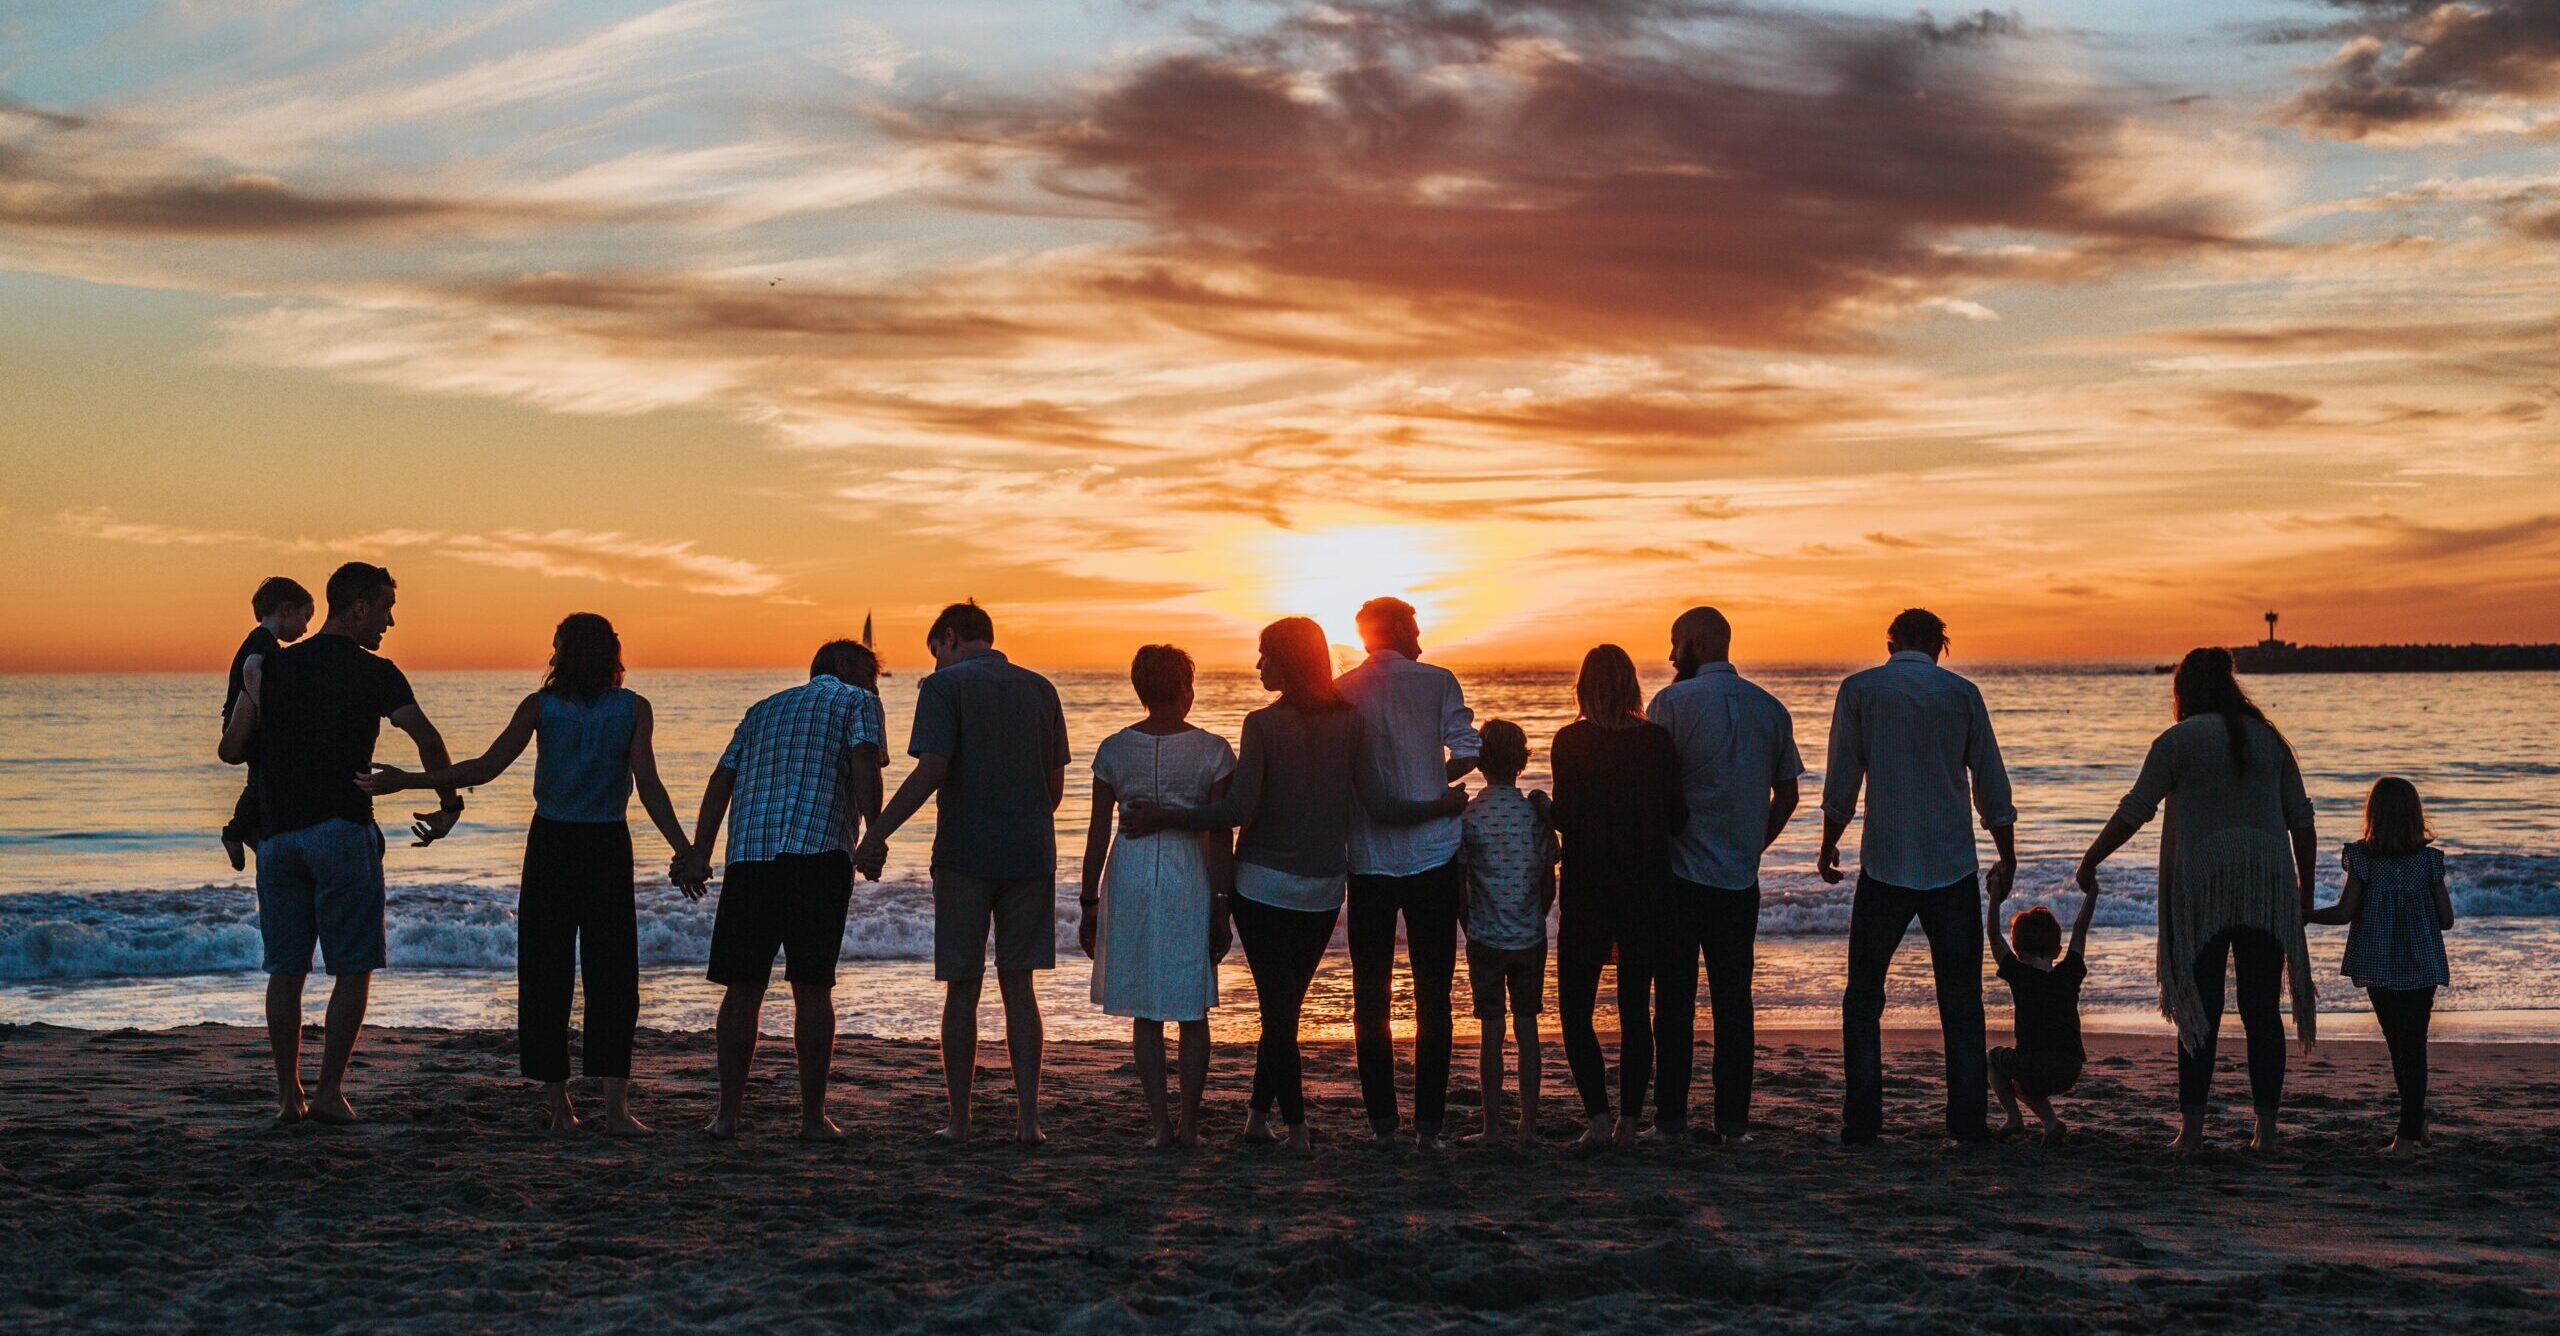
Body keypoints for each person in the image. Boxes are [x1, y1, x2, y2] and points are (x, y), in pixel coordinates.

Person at [1120, 617, 1456, 1151]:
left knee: (1280, 1013)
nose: (1258, 666)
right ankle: (1258, 1117)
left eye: (1265, 656)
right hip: (1323, 891)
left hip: (1263, 888)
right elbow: (1381, 805)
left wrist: (1164, 816)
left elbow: (1236, 809)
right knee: (1284, 1008)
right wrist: (1439, 805)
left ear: (1288, 661)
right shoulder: (1351, 722)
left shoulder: (1260, 724)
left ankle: (1297, 1129)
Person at [357, 613, 693, 1135]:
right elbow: (647, 785)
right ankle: (608, 1111)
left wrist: (411, 780)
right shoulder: (624, 707)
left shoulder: (553, 706)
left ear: (569, 652)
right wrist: (685, 849)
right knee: (608, 976)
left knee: (553, 974)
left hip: (561, 845)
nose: (552, 654)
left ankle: (567, 1109)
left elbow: (486, 768)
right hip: (598, 845)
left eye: (557, 646)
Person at [217, 561, 463, 1126]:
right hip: (340, 832)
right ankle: (327, 1093)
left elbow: (236, 746)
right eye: (384, 609)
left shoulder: (273, 665)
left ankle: (288, 1098)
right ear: (358, 608)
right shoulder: (377, 672)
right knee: (352, 967)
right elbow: (426, 737)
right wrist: (449, 806)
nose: (390, 622)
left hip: (277, 838)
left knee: (286, 971)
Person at [2076, 647, 2318, 1153]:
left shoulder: (2177, 742)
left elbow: (2134, 811)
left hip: (2201, 890)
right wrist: (2304, 892)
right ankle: (2266, 1131)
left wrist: (2092, 858)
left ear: (2184, 689)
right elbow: (2302, 819)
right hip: (2265, 887)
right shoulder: (2270, 741)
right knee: (2261, 1012)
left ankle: (2191, 1131)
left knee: (2197, 1008)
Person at [856, 601, 1070, 1145]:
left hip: (965, 854)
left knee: (962, 988)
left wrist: (876, 831)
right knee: (1019, 988)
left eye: (935, 654)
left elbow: (932, 768)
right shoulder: (1041, 689)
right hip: (1030, 853)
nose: (934, 666)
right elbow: (1054, 792)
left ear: (950, 638)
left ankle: (960, 1121)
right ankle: (1028, 1121)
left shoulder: (943, 689)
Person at [675, 640, 886, 1142]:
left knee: (742, 989)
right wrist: (875, 832)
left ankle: (726, 1117)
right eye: (870, 671)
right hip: (818, 855)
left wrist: (700, 852)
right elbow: (863, 760)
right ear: (841, 666)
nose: (876, 682)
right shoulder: (858, 702)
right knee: (812, 989)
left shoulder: (762, 709)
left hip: (750, 857)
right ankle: (812, 1119)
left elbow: (721, 779)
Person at [1821, 607, 2015, 1147]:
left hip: (1884, 864)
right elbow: (1991, 782)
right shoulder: (1962, 694)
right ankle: (1967, 1125)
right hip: (1951, 864)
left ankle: (1862, 1124)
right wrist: (2008, 852)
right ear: (1940, 645)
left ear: (1890, 642)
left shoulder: (1860, 690)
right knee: (1961, 1001)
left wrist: (1828, 842)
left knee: (1864, 997)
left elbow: (1843, 779)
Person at [1644, 607, 1802, 1144]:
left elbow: (1652, 791)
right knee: (1735, 1003)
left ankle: (1670, 1122)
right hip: (1739, 878)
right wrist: (1755, 843)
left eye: (1675, 644)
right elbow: (1789, 794)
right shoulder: (1770, 708)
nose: (1670, 656)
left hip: (1681, 875)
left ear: (1697, 643)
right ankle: (1733, 1124)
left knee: (1674, 1003)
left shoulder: (1669, 704)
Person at [1337, 596, 1482, 1150]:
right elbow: (1468, 750)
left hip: (1368, 859)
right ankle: (1428, 1127)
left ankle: (1382, 1125)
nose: (1421, 635)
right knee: (1433, 994)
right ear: (1399, 628)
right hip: (1432, 857)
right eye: (1416, 625)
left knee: (1369, 993)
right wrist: (1432, 776)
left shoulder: (1343, 689)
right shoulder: (1439, 680)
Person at [1077, 645, 1236, 1149]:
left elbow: (1098, 832)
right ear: (1185, 689)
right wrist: (1222, 904)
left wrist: (1088, 903)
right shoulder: (1213, 750)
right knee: (1192, 1008)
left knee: (1147, 1010)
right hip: (1190, 874)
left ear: (1140, 691)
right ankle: (1189, 1126)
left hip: (1130, 874)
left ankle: (1160, 1128)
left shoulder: (1113, 749)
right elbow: (1222, 834)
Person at [1550, 644, 1686, 1149]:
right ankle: (1630, 1121)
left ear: (1583, 687)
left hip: (1588, 890)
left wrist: (1545, 810)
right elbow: (1677, 820)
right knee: (1634, 1009)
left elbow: (1565, 816)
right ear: (1632, 686)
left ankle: (1599, 1120)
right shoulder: (1656, 742)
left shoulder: (1569, 742)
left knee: (1576, 1008)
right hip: (1647, 889)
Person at [2307, 777, 2452, 1152]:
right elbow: (2447, 918)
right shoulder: (2429, 862)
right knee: (2413, 1044)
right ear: (2415, 816)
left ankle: (2407, 1136)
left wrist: (2306, 915)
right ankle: (2414, 1127)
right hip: (2421, 963)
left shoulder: (2363, 860)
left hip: (2378, 962)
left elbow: (2343, 913)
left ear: (2373, 815)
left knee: (2397, 1043)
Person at [1457, 720, 1558, 1150]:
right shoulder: (1534, 815)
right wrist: (1537, 915)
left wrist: (1470, 926)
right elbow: (1548, 878)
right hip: (1529, 936)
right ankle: (1529, 1127)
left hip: (1486, 937)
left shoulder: (1470, 816)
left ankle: (1492, 1128)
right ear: (1522, 761)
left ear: (1479, 762)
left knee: (1492, 1032)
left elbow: (1461, 885)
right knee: (1528, 1027)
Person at [1986, 887, 2095, 1145]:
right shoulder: (2069, 973)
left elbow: (1992, 934)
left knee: (1993, 1059)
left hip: (2033, 1066)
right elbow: (2080, 930)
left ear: (2018, 952)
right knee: (2022, 1082)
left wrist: (1994, 895)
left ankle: (2014, 1118)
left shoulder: (2019, 974)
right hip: (2070, 1068)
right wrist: (2093, 893)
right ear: (2058, 951)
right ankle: (2051, 1123)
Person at [220, 576, 315, 871]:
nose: (306, 628)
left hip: (247, 721)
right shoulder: (263, 640)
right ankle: (236, 831)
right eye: (305, 617)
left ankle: (246, 830)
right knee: (263, 777)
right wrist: (268, 710)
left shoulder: (261, 640)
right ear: (286, 610)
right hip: (246, 723)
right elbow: (251, 671)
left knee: (260, 777)